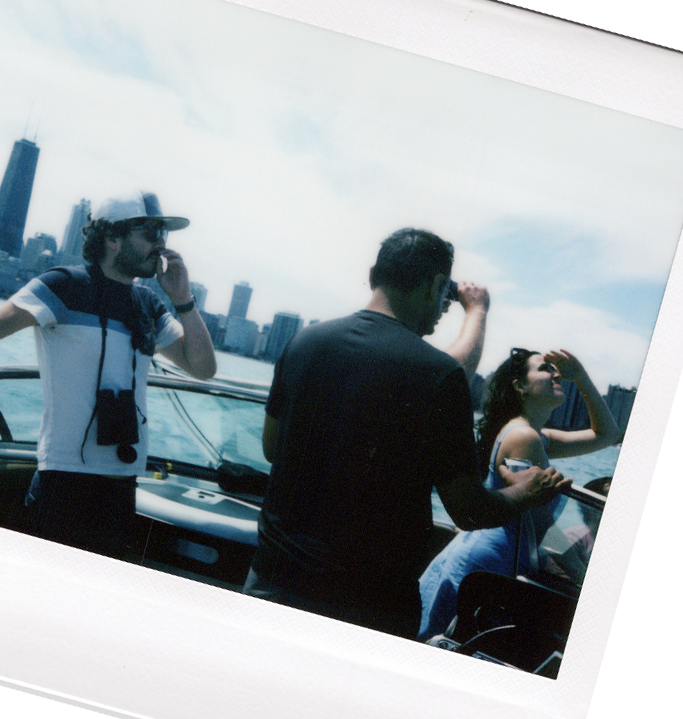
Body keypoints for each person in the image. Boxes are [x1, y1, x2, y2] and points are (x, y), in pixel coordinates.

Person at [243, 228, 568, 638]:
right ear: (434, 285)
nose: (442, 311)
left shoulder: (304, 342)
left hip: (271, 582)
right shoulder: (440, 375)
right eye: (445, 298)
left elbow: (273, 448)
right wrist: (528, 489)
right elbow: (468, 511)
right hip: (367, 606)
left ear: (374, 274)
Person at [0, 191, 217, 559]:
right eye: (150, 232)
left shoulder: (148, 306)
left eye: (163, 235)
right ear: (111, 237)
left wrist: (183, 299)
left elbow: (203, 368)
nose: (160, 244)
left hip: (122, 483)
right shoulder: (63, 287)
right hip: (63, 479)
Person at [418, 348, 620, 640]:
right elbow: (541, 526)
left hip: (491, 556)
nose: (555, 374)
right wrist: (583, 578)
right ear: (520, 386)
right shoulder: (524, 437)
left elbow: (608, 435)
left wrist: (580, 378)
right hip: (492, 560)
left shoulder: (535, 435)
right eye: (543, 369)